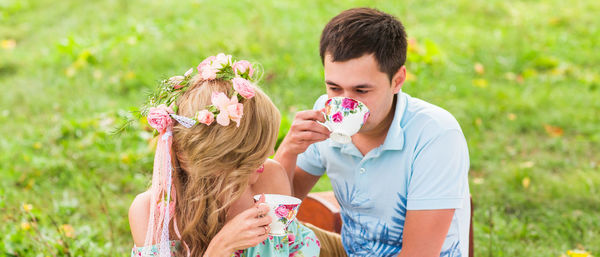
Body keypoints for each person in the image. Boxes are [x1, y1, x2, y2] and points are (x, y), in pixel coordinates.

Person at [274, 8, 470, 257]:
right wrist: (289, 149)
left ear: (397, 80)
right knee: (256, 238)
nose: (345, 103)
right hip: (350, 251)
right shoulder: (324, 115)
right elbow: (275, 216)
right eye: (334, 88)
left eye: (361, 91)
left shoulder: (436, 135)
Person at [128, 54, 321, 257]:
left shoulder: (269, 178)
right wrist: (220, 248)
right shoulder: (151, 213)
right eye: (249, 158)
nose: (270, 155)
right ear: (202, 162)